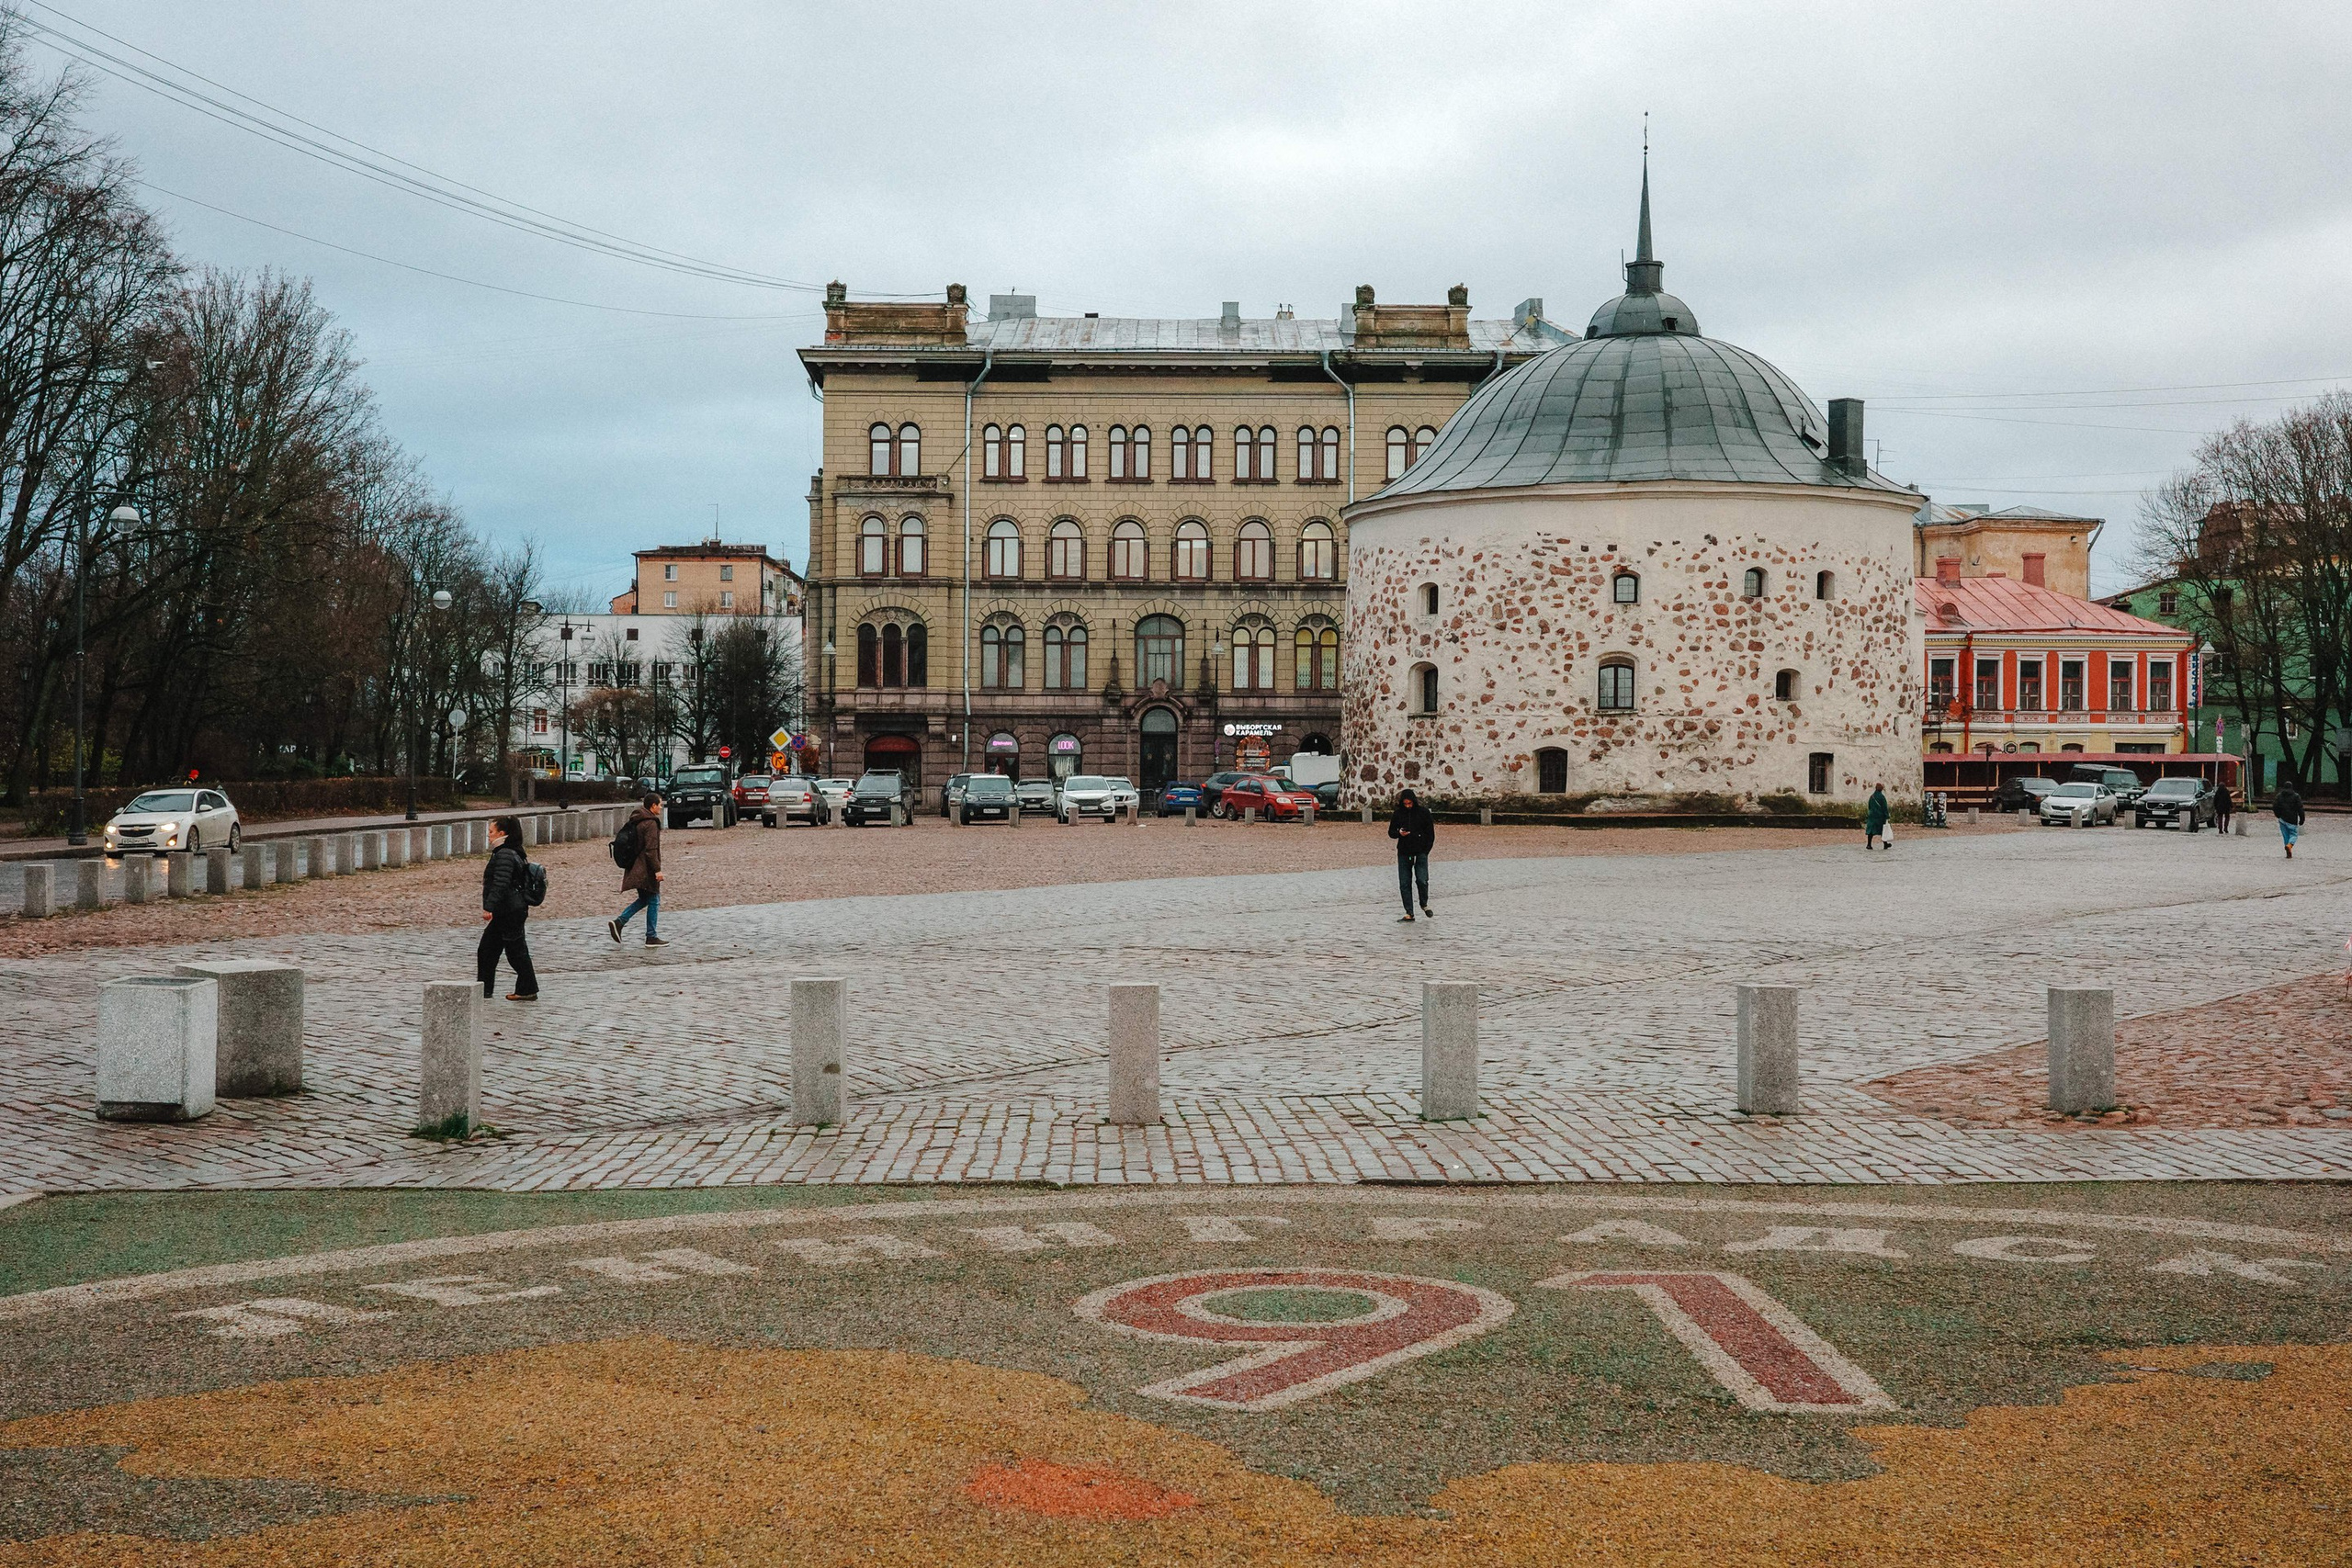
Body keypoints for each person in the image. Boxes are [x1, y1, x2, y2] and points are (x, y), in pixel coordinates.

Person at [478, 816, 538, 1001]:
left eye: (491, 832)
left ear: (501, 834)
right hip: (509, 910)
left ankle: (527, 989)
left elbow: (501, 883)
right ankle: (484, 990)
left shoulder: (504, 854)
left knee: (515, 952)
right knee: (487, 950)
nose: (488, 836)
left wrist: (489, 907)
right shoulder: (509, 851)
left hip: (509, 911)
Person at [610, 792, 668, 946]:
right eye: (660, 804)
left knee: (645, 899)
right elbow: (651, 850)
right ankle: (651, 936)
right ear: (653, 806)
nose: (661, 808)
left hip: (636, 866)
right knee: (654, 900)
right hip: (645, 869)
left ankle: (620, 922)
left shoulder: (638, 819)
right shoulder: (650, 823)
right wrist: (657, 870)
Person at [1387, 788, 1436, 922]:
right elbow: (1391, 832)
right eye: (1405, 803)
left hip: (1420, 852)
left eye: (1410, 803)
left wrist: (1425, 851)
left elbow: (1430, 834)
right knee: (1404, 883)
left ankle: (1424, 903)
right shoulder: (1398, 814)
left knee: (1422, 880)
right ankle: (1409, 912)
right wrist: (1399, 833)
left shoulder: (1423, 813)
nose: (1408, 806)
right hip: (1404, 852)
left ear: (1414, 801)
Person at [2274, 777, 2304, 859]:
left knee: (2286, 836)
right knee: (2294, 834)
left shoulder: (2279, 796)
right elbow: (2300, 808)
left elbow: (2275, 806)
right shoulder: (2296, 796)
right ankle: (2290, 845)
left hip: (2282, 819)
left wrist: (2278, 815)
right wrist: (2302, 819)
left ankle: (2288, 849)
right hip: (2292, 819)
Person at [1865, 784, 1890, 851]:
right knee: (1882, 830)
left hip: (1872, 816)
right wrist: (1887, 815)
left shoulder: (1872, 796)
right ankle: (1885, 844)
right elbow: (1885, 807)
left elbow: (1869, 806)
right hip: (1880, 816)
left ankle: (1869, 844)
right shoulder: (1882, 797)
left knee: (1871, 831)